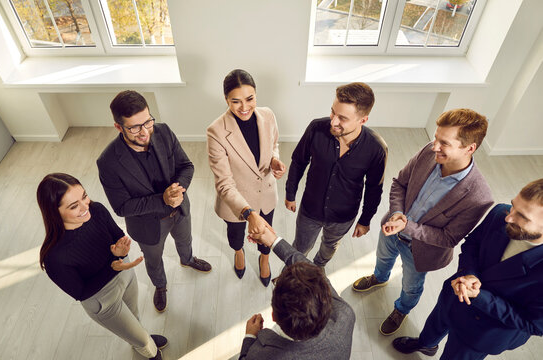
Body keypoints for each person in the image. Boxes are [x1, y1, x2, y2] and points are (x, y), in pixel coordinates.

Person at [352, 108, 494, 336]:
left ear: (469, 148)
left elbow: (448, 238)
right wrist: (397, 213)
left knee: (411, 286)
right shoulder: (430, 151)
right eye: (436, 138)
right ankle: (379, 278)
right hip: (391, 230)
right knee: (383, 258)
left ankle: (402, 309)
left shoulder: (479, 197)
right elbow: (400, 183)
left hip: (422, 252)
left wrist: (406, 226)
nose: (434, 146)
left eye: (444, 143)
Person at [393, 179, 543, 360]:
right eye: (513, 206)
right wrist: (469, 273)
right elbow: (472, 244)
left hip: (482, 332)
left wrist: (480, 297)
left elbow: (533, 325)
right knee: (434, 325)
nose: (508, 217)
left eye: (523, 217)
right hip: (453, 297)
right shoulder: (499, 213)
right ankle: (426, 344)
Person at [97, 90, 212, 313]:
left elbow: (186, 166)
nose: (144, 132)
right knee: (154, 259)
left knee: (185, 240)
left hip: (179, 209)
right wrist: (163, 199)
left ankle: (187, 260)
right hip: (147, 225)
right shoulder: (108, 162)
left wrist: (179, 189)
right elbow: (122, 207)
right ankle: (160, 285)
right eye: (134, 127)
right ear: (119, 127)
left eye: (147, 122)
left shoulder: (163, 131)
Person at [37, 173, 167, 360]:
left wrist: (120, 253)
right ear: (54, 213)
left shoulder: (96, 210)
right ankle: (149, 350)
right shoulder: (54, 258)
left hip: (124, 274)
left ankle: (140, 337)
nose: (85, 207)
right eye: (74, 206)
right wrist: (113, 265)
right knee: (142, 341)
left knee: (135, 318)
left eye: (84, 196)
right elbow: (81, 292)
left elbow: (117, 235)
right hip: (102, 299)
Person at [285, 82, 387, 268]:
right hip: (310, 210)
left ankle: (318, 268)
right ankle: (292, 274)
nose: (333, 121)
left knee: (330, 246)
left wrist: (365, 220)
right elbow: (299, 160)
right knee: (300, 247)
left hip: (343, 216)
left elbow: (374, 188)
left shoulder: (376, 148)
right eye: (333, 112)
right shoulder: (316, 128)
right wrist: (290, 194)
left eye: (342, 118)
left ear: (362, 120)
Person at [207, 69, 286, 286]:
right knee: (235, 233)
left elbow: (274, 144)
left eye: (249, 99)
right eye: (236, 101)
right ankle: (238, 252)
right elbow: (224, 183)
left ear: (256, 95)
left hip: (266, 194)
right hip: (236, 201)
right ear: (226, 100)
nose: (244, 107)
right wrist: (249, 213)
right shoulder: (216, 131)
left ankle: (264, 257)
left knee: (266, 231)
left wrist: (274, 160)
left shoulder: (268, 115)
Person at [238, 225, 355, 359]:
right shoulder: (345, 316)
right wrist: (274, 241)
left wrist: (250, 337)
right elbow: (316, 275)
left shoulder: (261, 355)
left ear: (273, 316)